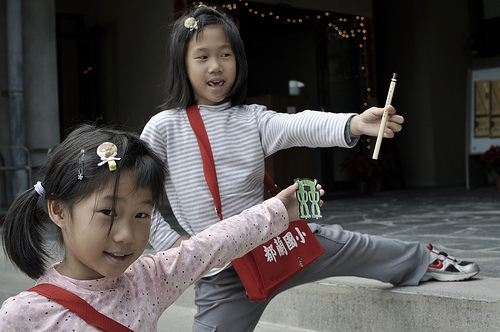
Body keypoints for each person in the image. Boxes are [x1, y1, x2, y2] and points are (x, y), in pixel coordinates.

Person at [140, 6, 480, 331]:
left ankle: (423, 259)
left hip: (275, 242)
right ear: (182, 65)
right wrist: (174, 243)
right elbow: (140, 198)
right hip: (222, 272)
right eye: (202, 57)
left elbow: (299, 125)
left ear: (238, 61)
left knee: (349, 246)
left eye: (225, 54)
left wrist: (356, 123)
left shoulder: (252, 119)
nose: (215, 66)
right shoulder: (163, 128)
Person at [0, 124, 306, 331]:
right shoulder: (24, 314)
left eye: (142, 215)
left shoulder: (148, 281)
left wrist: (280, 210)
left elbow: (214, 244)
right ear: (58, 210)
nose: (126, 236)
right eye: (108, 212)